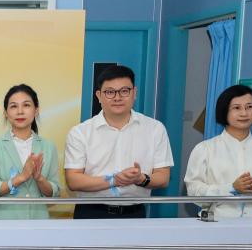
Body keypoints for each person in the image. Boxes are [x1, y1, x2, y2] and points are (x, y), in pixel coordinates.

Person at [64, 65, 173, 219]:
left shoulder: (155, 129)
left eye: (124, 91)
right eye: (110, 92)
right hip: (90, 213)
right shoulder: (80, 132)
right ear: (99, 96)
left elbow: (163, 177)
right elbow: (73, 181)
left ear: (134, 93)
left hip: (134, 214)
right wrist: (114, 180)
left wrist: (140, 179)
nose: (117, 97)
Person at [185, 84, 252, 218]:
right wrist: (231, 188)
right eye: (236, 108)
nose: (244, 113)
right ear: (224, 111)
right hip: (215, 223)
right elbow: (193, 192)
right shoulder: (204, 149)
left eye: (249, 107)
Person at [0, 84, 61, 219]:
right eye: (13, 106)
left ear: (36, 110)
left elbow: (55, 192)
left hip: (38, 221)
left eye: (26, 105)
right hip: (2, 222)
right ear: (6, 113)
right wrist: (20, 178)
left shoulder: (49, 147)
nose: (20, 111)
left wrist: (40, 179)